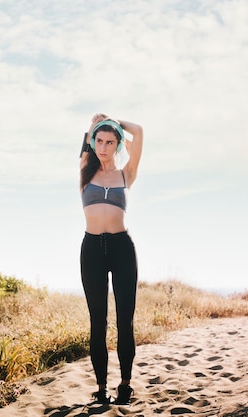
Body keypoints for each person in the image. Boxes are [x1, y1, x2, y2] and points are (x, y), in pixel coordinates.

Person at [79, 113, 143, 405]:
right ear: (93, 143)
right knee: (98, 321)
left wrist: (115, 120)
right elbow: (87, 141)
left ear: (117, 145)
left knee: (124, 320)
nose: (103, 146)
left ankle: (125, 385)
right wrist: (92, 126)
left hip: (122, 248)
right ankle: (102, 387)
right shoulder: (85, 170)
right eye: (99, 141)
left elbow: (139, 132)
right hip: (92, 249)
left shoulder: (126, 174)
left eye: (110, 142)